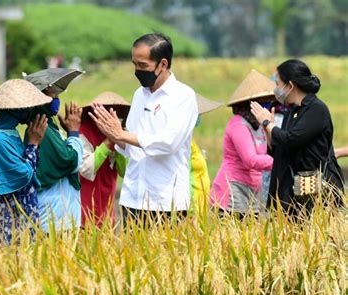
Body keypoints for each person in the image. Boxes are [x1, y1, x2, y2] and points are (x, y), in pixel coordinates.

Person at [90, 33, 199, 226]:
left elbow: (169, 143)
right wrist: (113, 136)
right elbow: (131, 145)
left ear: (163, 64)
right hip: (133, 197)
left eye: (143, 66)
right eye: (134, 64)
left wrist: (121, 134)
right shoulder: (139, 95)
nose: (137, 71)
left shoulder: (183, 96)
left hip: (166, 201)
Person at [251, 59, 345, 217]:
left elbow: (291, 139)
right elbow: (280, 150)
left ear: (290, 85)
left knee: (311, 232)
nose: (276, 89)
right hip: (292, 187)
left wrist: (267, 123)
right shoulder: (293, 111)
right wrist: (268, 129)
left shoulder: (316, 109)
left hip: (312, 185)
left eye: (278, 83)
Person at [0, 79, 50, 244]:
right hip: (3, 210)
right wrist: (33, 143)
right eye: (28, 107)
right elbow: (24, 174)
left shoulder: (9, 132)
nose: (31, 110)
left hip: (17, 207)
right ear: (16, 109)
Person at [24, 70, 84, 233]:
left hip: (57, 216)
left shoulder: (48, 124)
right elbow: (71, 161)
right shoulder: (43, 127)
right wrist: (73, 131)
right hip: (54, 218)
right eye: (53, 95)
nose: (57, 100)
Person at [210, 70, 274, 216]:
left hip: (254, 188)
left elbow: (269, 150)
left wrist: (270, 126)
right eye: (263, 102)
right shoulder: (238, 125)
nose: (267, 106)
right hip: (233, 188)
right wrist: (279, 162)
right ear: (250, 105)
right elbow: (250, 160)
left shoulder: (259, 125)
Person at [79, 92, 129, 227]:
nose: (112, 116)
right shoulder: (83, 133)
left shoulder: (120, 135)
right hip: (86, 212)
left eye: (115, 112)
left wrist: (117, 140)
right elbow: (86, 169)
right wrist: (108, 142)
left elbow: (125, 171)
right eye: (106, 111)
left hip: (108, 211)